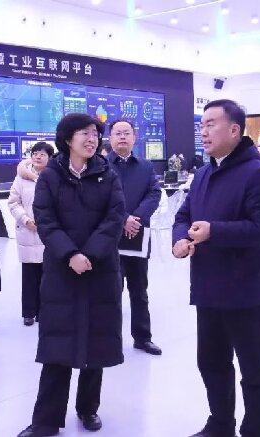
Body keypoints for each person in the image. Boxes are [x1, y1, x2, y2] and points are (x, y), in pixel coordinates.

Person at [172, 99, 260, 437]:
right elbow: (183, 215)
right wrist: (180, 239)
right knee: (211, 363)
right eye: (201, 125)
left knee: (255, 369)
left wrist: (214, 232)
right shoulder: (203, 173)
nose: (203, 131)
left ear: (234, 130)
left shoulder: (258, 174)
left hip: (244, 291)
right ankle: (220, 424)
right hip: (207, 288)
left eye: (210, 124)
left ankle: (258, 430)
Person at [18, 113, 125, 437]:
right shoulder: (51, 175)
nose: (92, 139)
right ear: (67, 139)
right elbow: (45, 218)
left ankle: (88, 408)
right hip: (61, 271)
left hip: (100, 269)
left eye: (95, 134)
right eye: (84, 133)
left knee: (97, 342)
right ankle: (46, 421)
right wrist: (70, 254)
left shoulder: (108, 174)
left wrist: (89, 254)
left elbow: (115, 218)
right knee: (57, 346)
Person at [106, 119, 163, 355]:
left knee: (139, 290)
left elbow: (154, 193)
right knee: (111, 291)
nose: (122, 137)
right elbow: (99, 198)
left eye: (126, 133)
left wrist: (136, 218)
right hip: (110, 238)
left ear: (134, 137)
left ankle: (143, 338)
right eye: (117, 133)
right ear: (110, 138)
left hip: (139, 235)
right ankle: (109, 340)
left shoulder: (146, 166)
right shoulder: (100, 166)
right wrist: (124, 219)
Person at [7, 141, 53, 327]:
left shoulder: (54, 177)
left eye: (42, 154)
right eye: (35, 153)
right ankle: (28, 312)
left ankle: (44, 312)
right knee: (28, 275)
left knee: (47, 275)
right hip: (27, 231)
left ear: (49, 158)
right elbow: (13, 202)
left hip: (48, 232)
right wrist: (26, 219)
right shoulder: (21, 178)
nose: (37, 156)